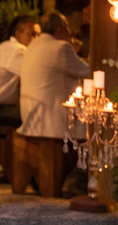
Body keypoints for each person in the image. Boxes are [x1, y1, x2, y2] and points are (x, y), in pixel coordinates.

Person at [18, 11, 90, 141]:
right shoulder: (61, 48)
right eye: (67, 28)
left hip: (31, 117)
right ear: (59, 30)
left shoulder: (32, 45)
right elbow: (88, 72)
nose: (69, 32)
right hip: (50, 121)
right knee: (91, 117)